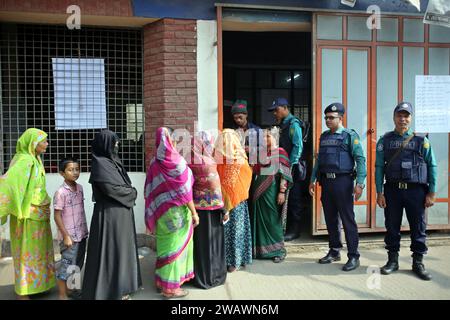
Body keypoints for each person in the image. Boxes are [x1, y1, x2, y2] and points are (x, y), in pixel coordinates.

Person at [375, 102, 437, 281]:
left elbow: (432, 165)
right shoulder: (384, 141)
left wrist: (431, 192)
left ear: (411, 118)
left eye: (406, 116)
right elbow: (379, 167)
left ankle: (418, 262)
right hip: (393, 191)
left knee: (418, 227)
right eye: (399, 115)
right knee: (392, 226)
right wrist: (379, 192)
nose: (403, 119)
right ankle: (392, 261)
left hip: (416, 191)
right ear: (394, 117)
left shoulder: (421, 141)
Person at [82, 130, 142, 300]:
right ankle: (110, 290)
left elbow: (123, 185)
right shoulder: (100, 164)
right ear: (105, 144)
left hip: (121, 214)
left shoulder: (113, 162)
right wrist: (132, 193)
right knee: (111, 251)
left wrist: (130, 192)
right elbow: (111, 190)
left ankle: (122, 286)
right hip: (109, 216)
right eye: (114, 142)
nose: (117, 145)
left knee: (122, 250)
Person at [308, 103, 366, 271]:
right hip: (326, 182)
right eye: (326, 117)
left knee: (348, 220)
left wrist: (360, 184)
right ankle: (334, 251)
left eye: (331, 117)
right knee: (331, 219)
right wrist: (312, 179)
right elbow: (319, 161)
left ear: (341, 118)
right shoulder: (324, 136)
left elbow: (360, 160)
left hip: (343, 182)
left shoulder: (350, 136)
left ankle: (354, 256)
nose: (327, 120)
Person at [0, 128, 56, 299]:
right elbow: (8, 182)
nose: (46, 144)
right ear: (33, 143)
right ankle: (23, 292)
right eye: (43, 141)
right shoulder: (25, 160)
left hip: (39, 213)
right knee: (27, 253)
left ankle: (38, 286)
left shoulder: (35, 159)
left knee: (39, 251)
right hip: (28, 216)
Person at [144, 127, 199, 298]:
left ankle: (162, 281)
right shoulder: (177, 162)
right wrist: (194, 213)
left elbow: (149, 191)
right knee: (175, 249)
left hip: (161, 213)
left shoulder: (154, 163)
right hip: (177, 215)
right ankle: (171, 289)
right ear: (171, 140)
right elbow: (185, 192)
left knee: (165, 247)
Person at [189, 131, 227, 289]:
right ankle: (213, 276)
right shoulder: (208, 162)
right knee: (213, 244)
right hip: (212, 211)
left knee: (200, 245)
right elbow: (215, 188)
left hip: (196, 211)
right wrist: (224, 209)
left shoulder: (189, 161)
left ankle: (200, 276)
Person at [252, 129, 293, 263]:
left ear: (275, 137)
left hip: (272, 190)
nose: (264, 139)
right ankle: (260, 251)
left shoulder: (280, 153)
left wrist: (282, 191)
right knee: (260, 219)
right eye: (263, 137)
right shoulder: (262, 153)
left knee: (272, 219)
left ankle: (278, 251)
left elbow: (284, 174)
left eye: (267, 136)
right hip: (258, 191)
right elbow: (255, 171)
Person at [215, 129, 253, 272]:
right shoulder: (218, 158)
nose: (225, 143)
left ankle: (236, 261)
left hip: (236, 202)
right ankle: (227, 260)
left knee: (236, 231)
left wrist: (234, 194)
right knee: (226, 232)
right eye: (223, 140)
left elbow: (246, 177)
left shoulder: (240, 158)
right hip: (221, 200)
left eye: (228, 140)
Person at [268, 97, 304, 241]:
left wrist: (290, 165)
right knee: (286, 198)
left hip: (292, 167)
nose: (274, 113)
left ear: (284, 108)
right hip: (283, 167)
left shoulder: (294, 124)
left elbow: (298, 146)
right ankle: (286, 227)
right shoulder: (282, 124)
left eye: (276, 110)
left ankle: (295, 230)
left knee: (294, 199)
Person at [53, 157, 88, 300]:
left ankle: (73, 291)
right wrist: (66, 236)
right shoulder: (60, 192)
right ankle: (62, 295)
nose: (74, 172)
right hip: (69, 237)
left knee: (77, 266)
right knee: (66, 266)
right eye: (70, 170)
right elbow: (57, 216)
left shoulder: (80, 188)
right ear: (62, 173)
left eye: (77, 169)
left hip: (81, 234)